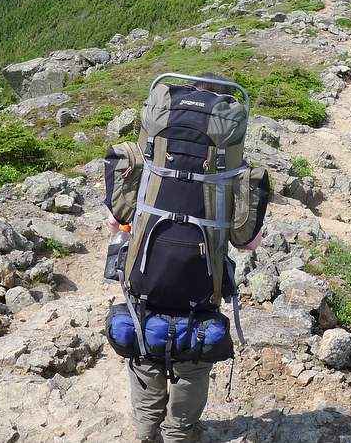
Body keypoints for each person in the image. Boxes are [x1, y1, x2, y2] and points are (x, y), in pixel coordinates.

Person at [105, 73, 266, 443]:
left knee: (145, 353)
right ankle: (180, 432)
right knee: (192, 364)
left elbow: (119, 215)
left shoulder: (149, 156)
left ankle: (147, 434)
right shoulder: (232, 172)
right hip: (201, 284)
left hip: (145, 280)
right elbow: (246, 240)